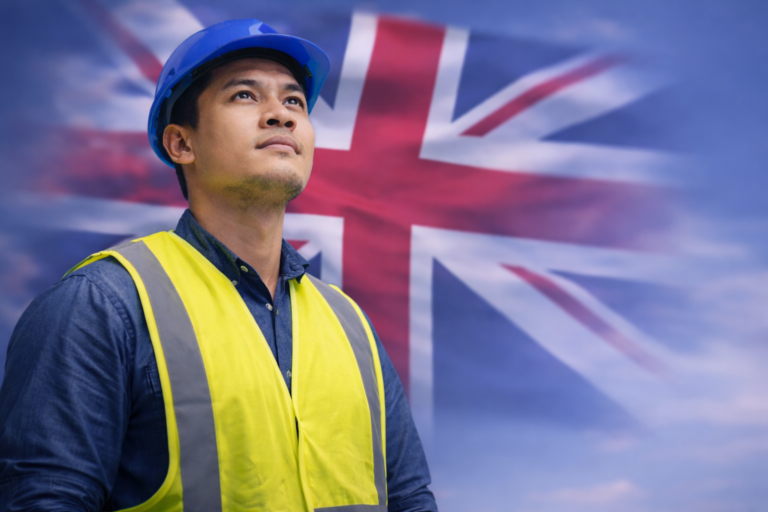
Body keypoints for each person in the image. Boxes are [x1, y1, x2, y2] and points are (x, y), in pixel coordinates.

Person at [0, 19, 437, 512]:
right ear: (181, 144)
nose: (281, 115)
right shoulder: (100, 305)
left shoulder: (351, 326)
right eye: (245, 96)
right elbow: (44, 499)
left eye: (294, 101)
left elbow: (409, 500)